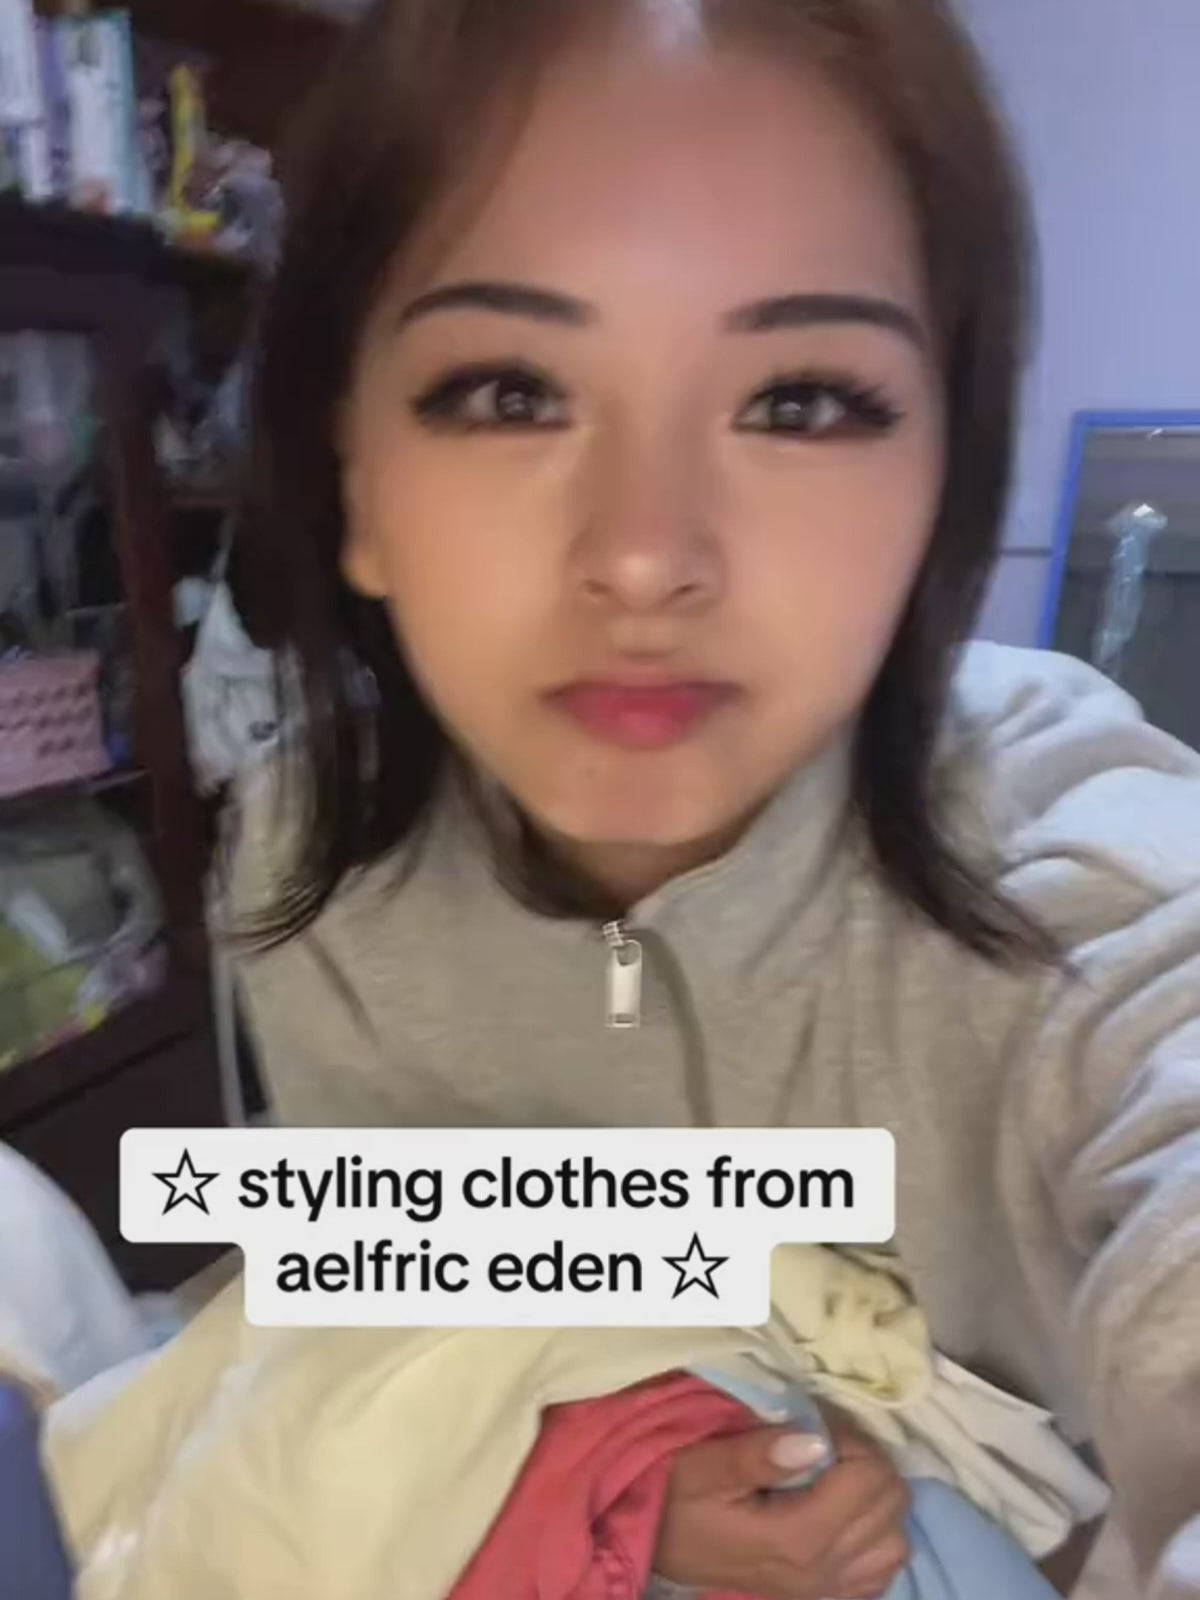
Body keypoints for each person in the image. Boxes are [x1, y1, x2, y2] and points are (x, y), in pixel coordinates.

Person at [222, 1, 1200, 1597]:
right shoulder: (311, 864)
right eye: (509, 391)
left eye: (800, 400)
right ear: (356, 489)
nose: (644, 554)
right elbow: (425, 1319)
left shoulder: (1086, 872)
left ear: (942, 482)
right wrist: (616, 1469)